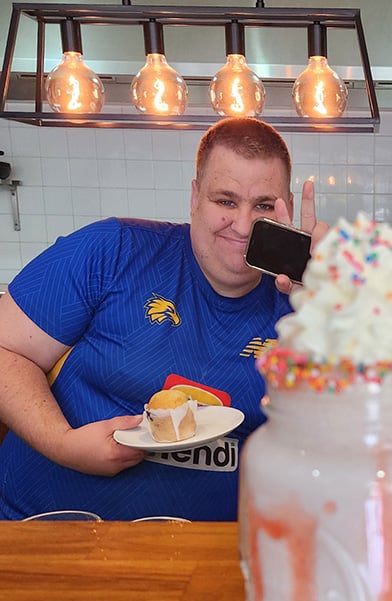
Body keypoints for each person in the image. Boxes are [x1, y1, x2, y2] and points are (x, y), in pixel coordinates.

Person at [0, 117, 328, 521]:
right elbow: (5, 350)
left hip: (208, 558)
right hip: (39, 532)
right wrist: (64, 444)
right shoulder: (113, 251)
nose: (243, 226)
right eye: (225, 201)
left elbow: (355, 442)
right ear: (194, 198)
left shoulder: (307, 305)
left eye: (263, 206)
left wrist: (329, 320)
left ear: (287, 210)